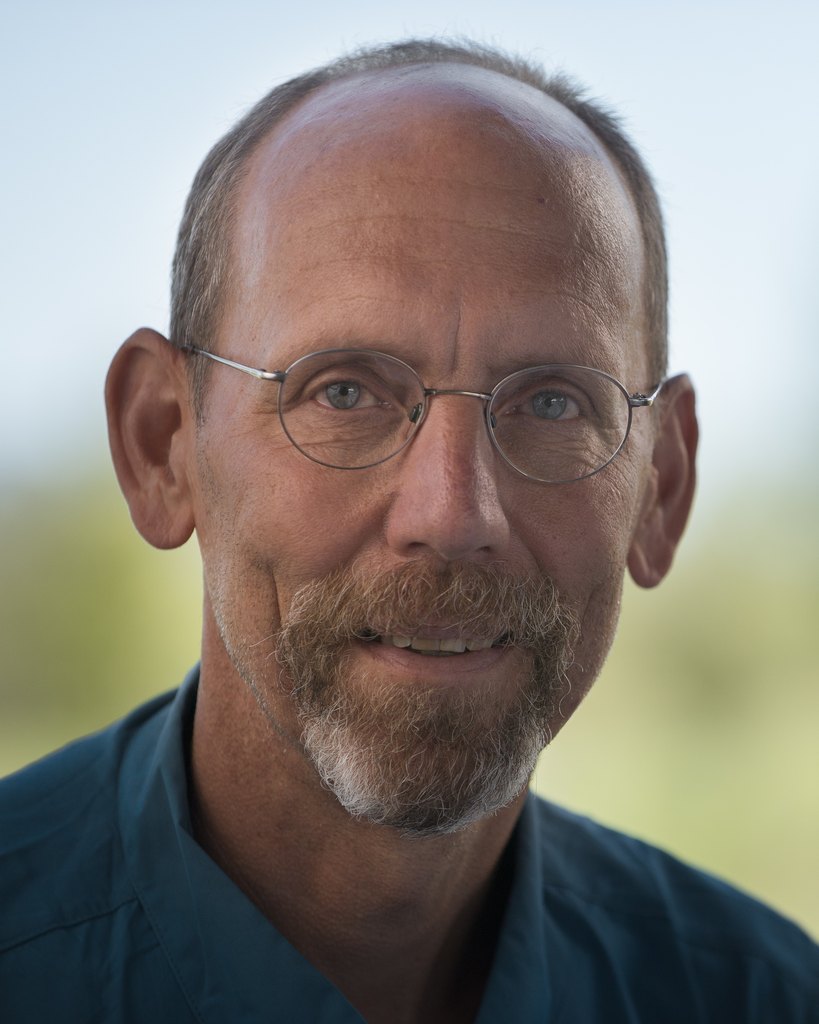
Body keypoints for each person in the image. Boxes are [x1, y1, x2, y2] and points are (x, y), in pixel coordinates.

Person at [1, 38, 816, 1024]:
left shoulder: (761, 996)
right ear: (163, 445)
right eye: (344, 391)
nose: (453, 516)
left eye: (552, 403)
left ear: (662, 486)